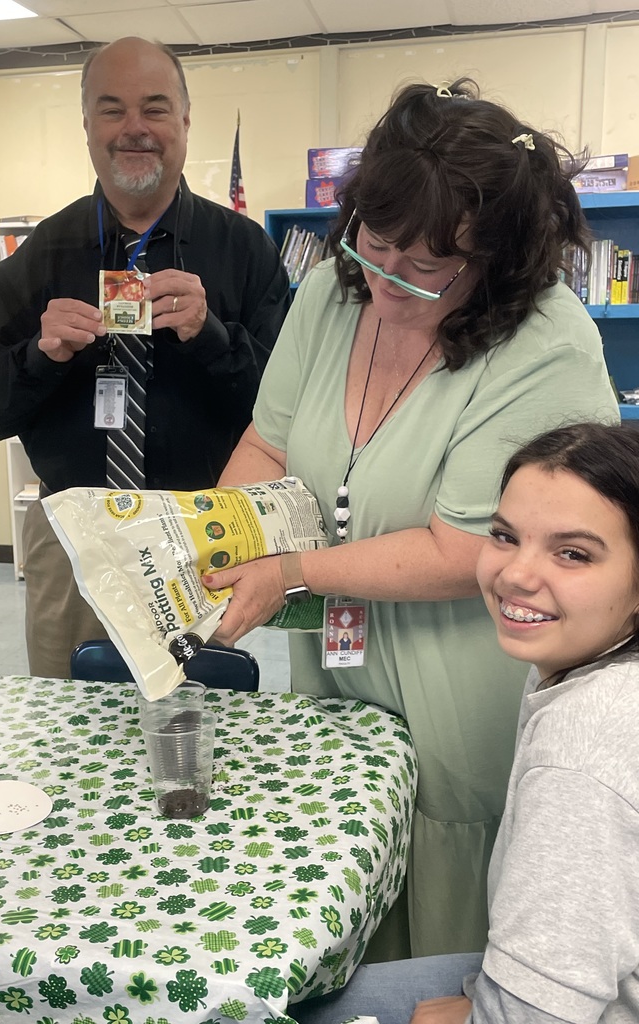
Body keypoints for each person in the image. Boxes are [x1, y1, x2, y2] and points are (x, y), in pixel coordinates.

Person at [209, 79, 620, 957]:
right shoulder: (333, 292)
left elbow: (465, 548)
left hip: (460, 671)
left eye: (428, 265)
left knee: (441, 902)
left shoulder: (544, 340)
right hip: (335, 654)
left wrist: (290, 572)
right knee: (339, 862)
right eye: (376, 242)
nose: (388, 278)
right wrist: (211, 536)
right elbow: (267, 444)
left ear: (495, 260)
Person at [0, 37, 290, 679]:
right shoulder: (43, 254)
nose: (135, 128)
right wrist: (40, 355)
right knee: (70, 717)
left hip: (202, 542)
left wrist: (213, 337)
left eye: (154, 108)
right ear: (87, 126)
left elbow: (290, 408)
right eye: (112, 109)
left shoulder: (244, 250)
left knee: (200, 720)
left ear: (184, 120)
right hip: (73, 544)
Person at [289, 422, 639, 1024]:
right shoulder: (581, 665)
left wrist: (492, 1008)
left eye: (573, 553)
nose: (517, 574)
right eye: (505, 536)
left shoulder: (582, 751)